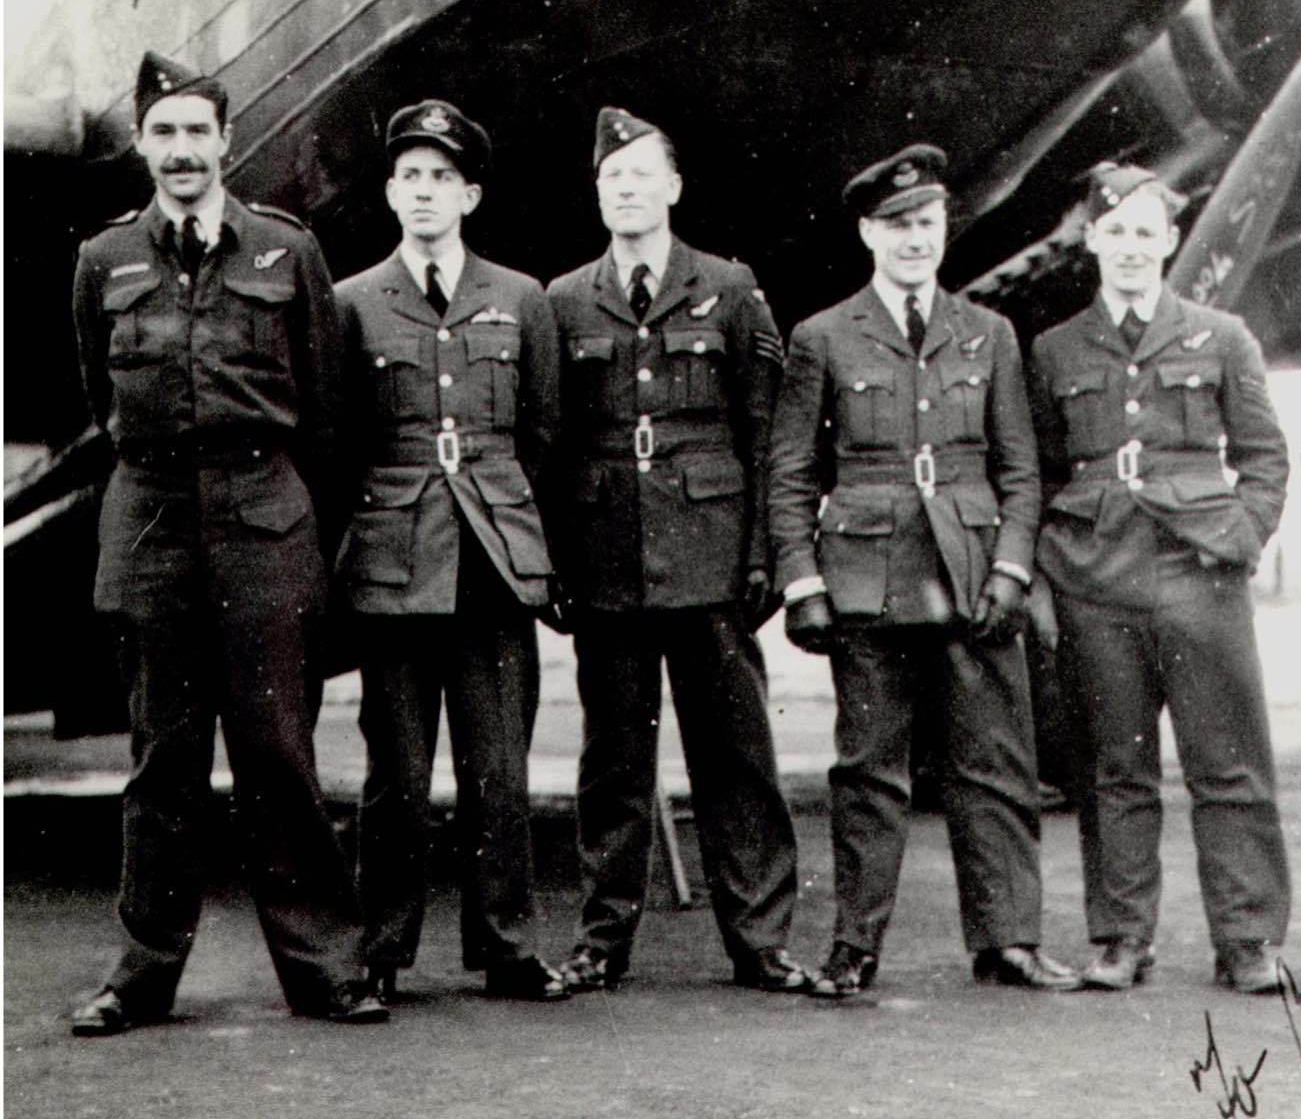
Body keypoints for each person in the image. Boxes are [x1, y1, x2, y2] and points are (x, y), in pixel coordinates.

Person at [67, 52, 385, 1034]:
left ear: (227, 143)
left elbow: (325, 414)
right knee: (162, 757)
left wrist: (288, 521)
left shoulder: (286, 252)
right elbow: (98, 396)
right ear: (141, 148)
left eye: (197, 131)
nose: (181, 151)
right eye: (162, 134)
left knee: (278, 752)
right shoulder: (103, 261)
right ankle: (144, 972)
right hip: (156, 517)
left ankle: (326, 964)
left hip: (264, 515)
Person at [769, 143, 1078, 997]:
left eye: (929, 223)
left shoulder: (989, 333)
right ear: (869, 232)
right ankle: (854, 948)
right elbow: (792, 472)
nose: (915, 239)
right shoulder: (823, 337)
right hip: (868, 584)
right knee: (869, 771)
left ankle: (1009, 941)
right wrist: (802, 582)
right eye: (898, 224)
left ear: (946, 228)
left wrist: (1013, 571)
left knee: (997, 764)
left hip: (974, 577)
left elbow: (1020, 470)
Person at [545, 107, 805, 993]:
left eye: (641, 174)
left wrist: (767, 550)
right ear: (598, 193)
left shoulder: (730, 287)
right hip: (608, 553)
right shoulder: (565, 298)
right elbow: (552, 442)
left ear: (673, 187)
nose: (625, 189)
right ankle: (602, 940)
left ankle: (760, 940)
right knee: (613, 761)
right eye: (611, 178)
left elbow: (766, 426)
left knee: (735, 755)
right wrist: (557, 563)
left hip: (712, 550)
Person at [1027, 163, 1293, 993]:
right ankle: (1121, 938)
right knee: (1115, 767)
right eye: (1116, 232)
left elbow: (1263, 455)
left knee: (1229, 764)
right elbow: (1035, 468)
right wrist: (1050, 574)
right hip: (1096, 578)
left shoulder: (1223, 336)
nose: (1132, 248)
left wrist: (1240, 538)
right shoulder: (1055, 348)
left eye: (1148, 232)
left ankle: (1248, 941)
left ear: (1171, 239)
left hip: (1198, 574)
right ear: (1091, 240)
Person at [332, 101, 566, 1003]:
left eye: (442, 178)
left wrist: (508, 519)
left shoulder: (521, 298)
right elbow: (339, 439)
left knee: (498, 770)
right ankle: (383, 953)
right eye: (409, 178)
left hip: (493, 562)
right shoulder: (353, 302)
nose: (424, 192)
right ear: (391, 194)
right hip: (394, 562)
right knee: (396, 770)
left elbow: (540, 432)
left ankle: (506, 947)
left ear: (469, 194)